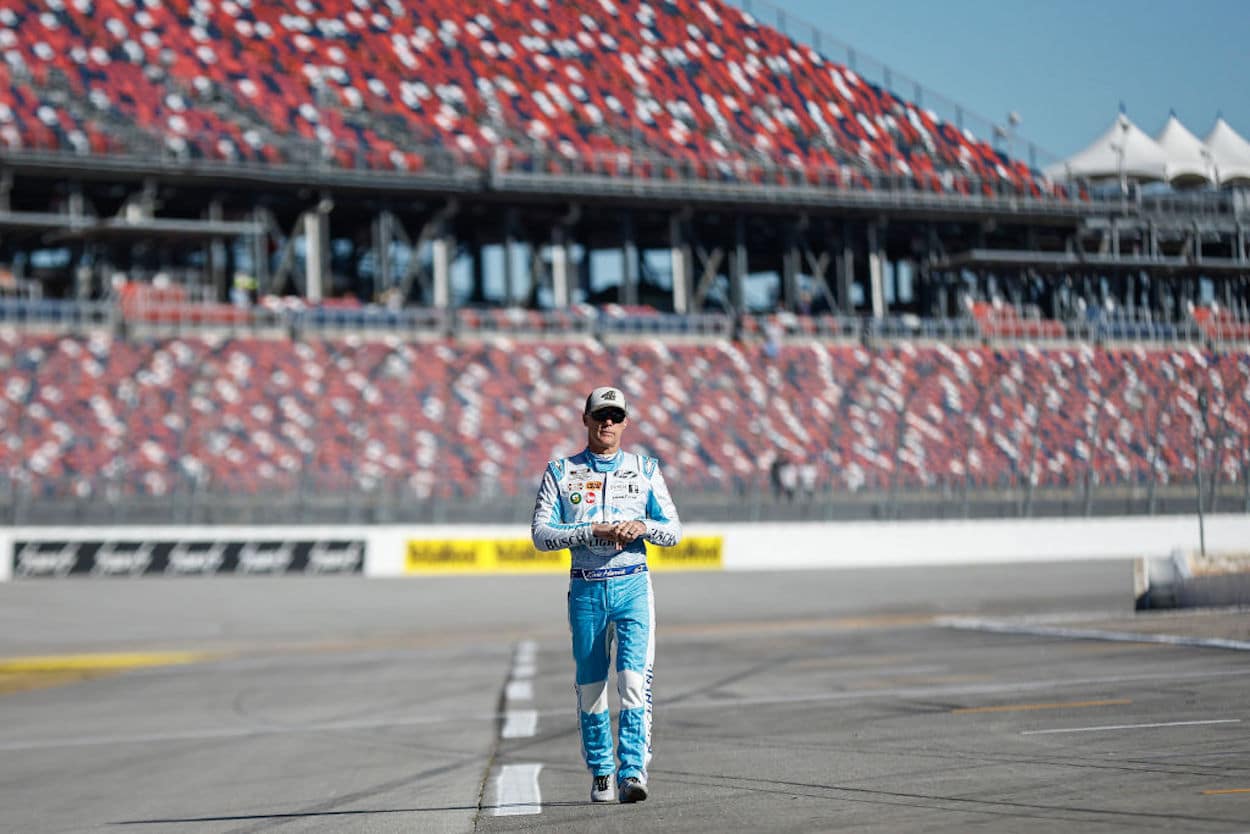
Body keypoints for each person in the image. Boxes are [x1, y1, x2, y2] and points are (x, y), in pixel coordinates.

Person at [531, 386, 683, 804]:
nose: (608, 424)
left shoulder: (646, 469)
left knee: (634, 682)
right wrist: (592, 530)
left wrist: (643, 527)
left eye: (615, 417)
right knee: (593, 687)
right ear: (585, 420)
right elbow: (541, 535)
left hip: (633, 585)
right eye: (600, 416)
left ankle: (633, 771)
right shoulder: (560, 471)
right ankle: (601, 771)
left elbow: (673, 531)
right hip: (585, 588)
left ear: (625, 423)